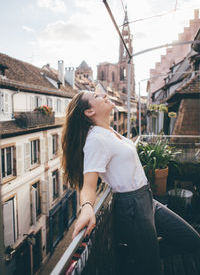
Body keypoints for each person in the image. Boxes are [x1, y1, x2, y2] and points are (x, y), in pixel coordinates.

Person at [61, 91, 200, 275]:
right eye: (96, 96)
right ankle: (142, 258)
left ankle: (137, 258)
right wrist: (87, 206)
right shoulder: (95, 140)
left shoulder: (108, 131)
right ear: (89, 112)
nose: (103, 94)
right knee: (152, 269)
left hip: (146, 199)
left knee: (192, 240)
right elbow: (88, 185)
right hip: (132, 206)